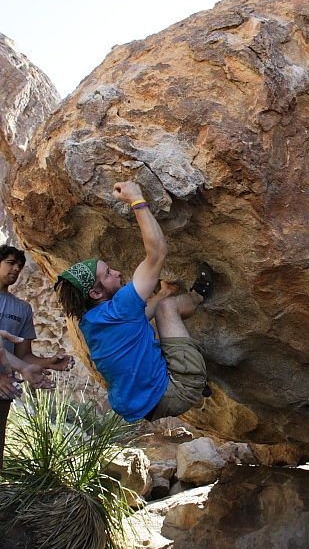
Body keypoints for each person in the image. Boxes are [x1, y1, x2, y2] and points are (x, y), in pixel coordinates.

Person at [54, 181, 214, 424]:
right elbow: (157, 252)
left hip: (146, 407)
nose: (117, 273)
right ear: (96, 293)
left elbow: (135, 322)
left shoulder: (91, 322)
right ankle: (197, 296)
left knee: (160, 305)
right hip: (180, 388)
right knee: (167, 307)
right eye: (108, 274)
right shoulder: (121, 306)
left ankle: (174, 311)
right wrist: (136, 200)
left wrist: (160, 293)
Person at [0, 244, 75, 467]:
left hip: (4, 388)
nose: (15, 270)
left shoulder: (22, 309)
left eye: (20, 267)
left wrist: (48, 363)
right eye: (10, 263)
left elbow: (24, 355)